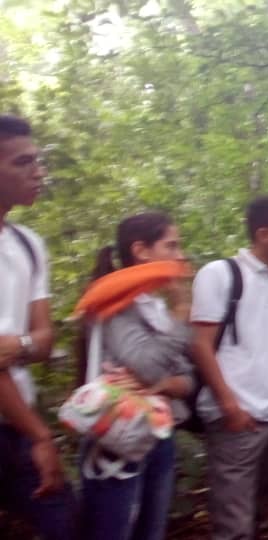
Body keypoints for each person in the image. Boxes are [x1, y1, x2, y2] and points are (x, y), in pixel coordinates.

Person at [191, 196, 268, 540]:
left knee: (255, 515)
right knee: (234, 525)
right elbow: (200, 345)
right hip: (236, 420)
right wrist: (229, 406)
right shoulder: (220, 275)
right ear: (264, 234)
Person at [78, 212, 195, 540]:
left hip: (158, 435)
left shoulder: (155, 308)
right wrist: (182, 311)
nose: (180, 255)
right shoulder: (114, 305)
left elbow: (187, 380)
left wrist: (160, 385)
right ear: (141, 251)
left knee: (151, 532)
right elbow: (149, 364)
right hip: (117, 439)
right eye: (171, 245)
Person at [0, 114, 76, 539]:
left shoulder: (28, 244)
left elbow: (46, 339)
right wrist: (41, 437)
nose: (38, 172)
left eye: (37, 161)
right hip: (26, 426)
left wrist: (20, 344)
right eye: (22, 162)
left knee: (63, 523)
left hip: (16, 424)